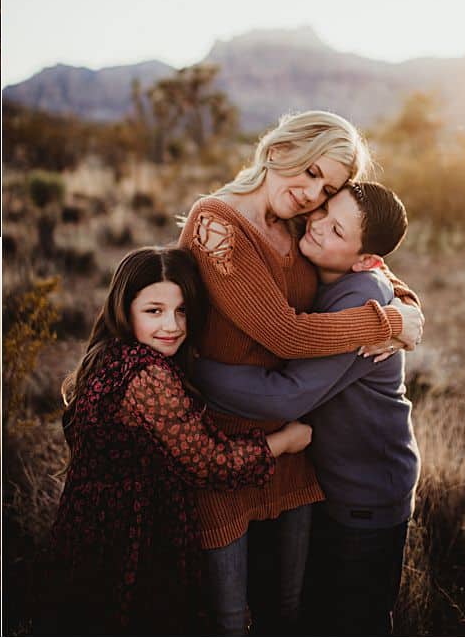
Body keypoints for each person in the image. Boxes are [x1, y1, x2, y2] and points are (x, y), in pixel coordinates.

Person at [177, 111, 423, 636]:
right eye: (311, 172)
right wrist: (383, 320)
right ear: (281, 147)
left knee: (286, 611)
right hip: (227, 444)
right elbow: (286, 335)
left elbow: (368, 260)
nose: (312, 195)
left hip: (299, 453)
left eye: (327, 187)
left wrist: (405, 303)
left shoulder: (294, 222)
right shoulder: (215, 222)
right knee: (224, 616)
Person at [44, 247, 314, 635]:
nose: (171, 325)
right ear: (125, 307)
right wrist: (284, 441)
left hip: (89, 528)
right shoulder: (148, 376)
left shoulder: (108, 356)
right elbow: (209, 463)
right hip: (133, 539)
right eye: (154, 311)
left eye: (182, 310)